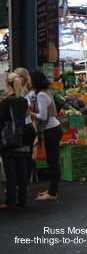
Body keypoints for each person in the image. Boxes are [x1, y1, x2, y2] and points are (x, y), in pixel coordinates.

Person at [28, 71, 63, 201]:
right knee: (52, 160)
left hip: (52, 130)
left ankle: (53, 193)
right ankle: (51, 190)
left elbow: (43, 116)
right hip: (53, 129)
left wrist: (31, 112)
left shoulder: (42, 94)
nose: (29, 82)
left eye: (30, 79)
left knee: (53, 161)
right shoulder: (44, 92)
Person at [0, 73, 29, 209]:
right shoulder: (23, 101)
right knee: (21, 171)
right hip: (22, 137)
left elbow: (1, 121)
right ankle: (22, 199)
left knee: (10, 172)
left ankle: (10, 201)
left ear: (8, 85)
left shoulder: (6, 102)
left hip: (9, 140)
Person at [14, 67, 37, 183]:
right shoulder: (25, 93)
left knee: (25, 155)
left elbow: (28, 111)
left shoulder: (28, 94)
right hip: (26, 127)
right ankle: (23, 182)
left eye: (17, 76)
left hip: (26, 128)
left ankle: (24, 182)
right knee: (24, 155)